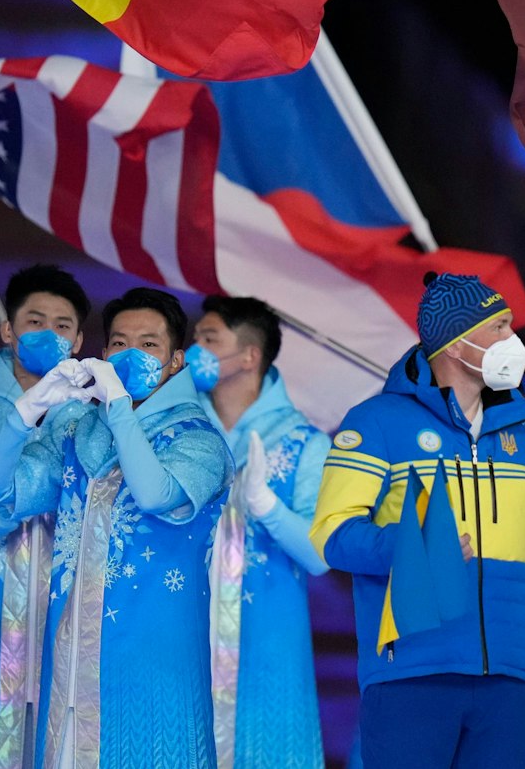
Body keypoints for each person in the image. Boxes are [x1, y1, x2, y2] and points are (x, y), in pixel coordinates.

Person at [311, 272, 525, 768]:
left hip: (508, 679)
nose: (512, 341)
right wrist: (417, 546)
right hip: (411, 670)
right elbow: (333, 534)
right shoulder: (378, 420)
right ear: (457, 343)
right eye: (499, 326)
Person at [0, 285, 234, 768]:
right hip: (71, 678)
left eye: (148, 344)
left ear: (177, 361)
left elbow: (155, 493)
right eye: (118, 342)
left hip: (155, 679)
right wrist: (27, 412)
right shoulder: (77, 431)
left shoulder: (198, 439)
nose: (130, 353)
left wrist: (116, 408)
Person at [187, 295, 329, 769]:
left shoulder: (306, 443)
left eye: (210, 339)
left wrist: (267, 505)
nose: (194, 350)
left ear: (250, 355)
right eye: (196, 338)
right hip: (178, 629)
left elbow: (319, 555)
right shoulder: (176, 429)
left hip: (269, 640)